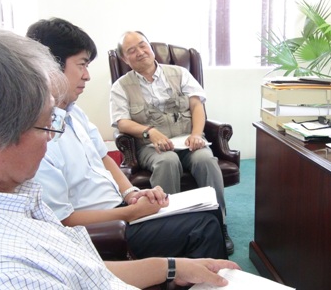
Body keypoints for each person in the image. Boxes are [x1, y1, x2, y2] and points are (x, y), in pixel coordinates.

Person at [0, 25, 239, 289]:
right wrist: (129, 215)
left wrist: (171, 267)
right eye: (45, 123)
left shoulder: (13, 193)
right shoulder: (1, 276)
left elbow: (83, 268)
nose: (52, 134)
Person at [26, 18, 227, 260]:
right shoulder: (39, 136)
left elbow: (103, 158)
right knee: (201, 224)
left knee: (208, 209)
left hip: (121, 205)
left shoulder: (74, 113)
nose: (87, 76)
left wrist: (132, 193)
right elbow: (62, 220)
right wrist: (131, 213)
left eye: (143, 45)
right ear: (51, 68)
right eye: (81, 65)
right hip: (106, 227)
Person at [110, 31, 234, 254]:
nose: (139, 52)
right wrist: (149, 132)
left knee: (206, 159)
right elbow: (121, 122)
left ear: (150, 46)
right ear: (125, 59)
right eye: (131, 51)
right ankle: (172, 226)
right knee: (167, 162)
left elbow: (197, 106)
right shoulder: (120, 86)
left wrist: (197, 133)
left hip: (188, 140)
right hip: (150, 146)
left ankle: (219, 224)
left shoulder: (180, 73)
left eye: (142, 45)